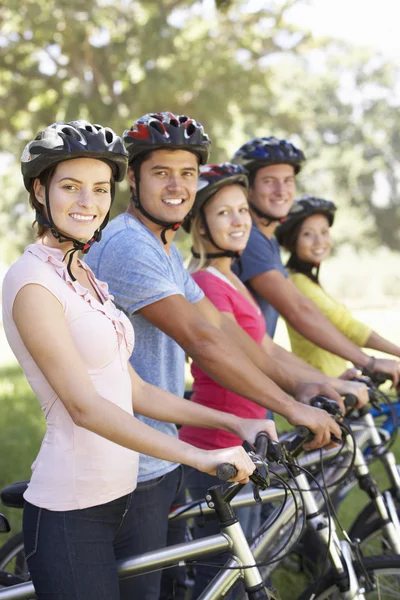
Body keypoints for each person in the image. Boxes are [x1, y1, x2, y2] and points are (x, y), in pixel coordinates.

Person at [2, 120, 268, 600]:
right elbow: (84, 406)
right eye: (70, 187)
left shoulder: (81, 273)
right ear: (40, 190)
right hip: (71, 511)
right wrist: (199, 455)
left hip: (122, 498)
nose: (88, 202)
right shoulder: (32, 283)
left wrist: (236, 423)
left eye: (100, 189)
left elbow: (137, 392)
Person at [86, 112, 342, 600]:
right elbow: (201, 344)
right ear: (134, 179)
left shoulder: (164, 251)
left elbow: (225, 332)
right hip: (129, 460)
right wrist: (291, 407)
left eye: (186, 173)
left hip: (160, 453)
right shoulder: (128, 247)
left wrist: (300, 388)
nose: (177, 185)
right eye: (161, 172)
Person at [231, 136, 400, 384]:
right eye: (269, 181)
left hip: (255, 390)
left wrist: (324, 379)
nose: (281, 191)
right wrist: (368, 361)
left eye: (288, 181)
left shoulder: (267, 244)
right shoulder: (250, 241)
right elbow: (300, 311)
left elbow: (267, 345)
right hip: (237, 390)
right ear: (248, 188)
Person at [275, 194, 400, 377]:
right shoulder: (298, 283)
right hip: (324, 387)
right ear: (292, 240)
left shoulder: (306, 279)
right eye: (308, 234)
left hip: (340, 380)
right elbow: (348, 327)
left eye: (324, 232)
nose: (319, 241)